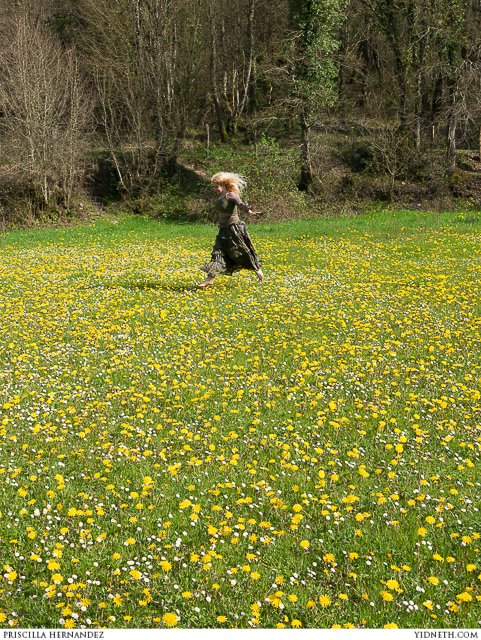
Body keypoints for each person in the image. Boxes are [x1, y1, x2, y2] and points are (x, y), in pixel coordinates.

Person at [198, 172, 264, 288]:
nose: (215, 189)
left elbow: (241, 205)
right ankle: (210, 279)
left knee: (241, 251)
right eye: (214, 186)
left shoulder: (230, 195)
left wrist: (251, 212)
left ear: (223, 184)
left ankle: (257, 269)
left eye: (216, 186)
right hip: (223, 230)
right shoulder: (219, 196)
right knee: (218, 253)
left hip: (234, 228)